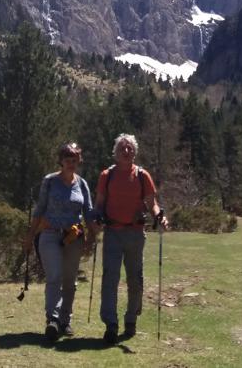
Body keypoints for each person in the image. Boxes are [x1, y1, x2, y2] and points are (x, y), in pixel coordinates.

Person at [95, 133, 168, 343]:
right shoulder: (106, 176)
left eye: (130, 148)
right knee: (110, 278)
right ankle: (111, 324)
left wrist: (159, 217)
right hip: (112, 233)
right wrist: (96, 218)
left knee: (135, 279)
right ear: (116, 153)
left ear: (134, 152)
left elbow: (152, 203)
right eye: (122, 148)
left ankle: (130, 320)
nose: (126, 151)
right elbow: (99, 204)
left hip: (135, 233)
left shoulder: (142, 176)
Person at [24, 142, 99, 341]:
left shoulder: (82, 184)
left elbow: (88, 212)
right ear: (61, 161)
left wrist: (93, 234)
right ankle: (53, 319)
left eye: (74, 160)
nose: (71, 163)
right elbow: (39, 209)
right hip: (49, 234)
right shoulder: (49, 181)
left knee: (69, 281)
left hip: (73, 237)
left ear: (79, 161)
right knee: (54, 276)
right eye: (68, 160)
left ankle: (65, 321)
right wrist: (30, 235)